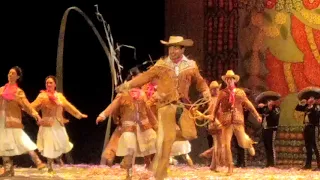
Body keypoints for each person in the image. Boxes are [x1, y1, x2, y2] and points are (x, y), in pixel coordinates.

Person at [116, 36, 210, 180]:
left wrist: (205, 90)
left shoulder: (191, 65)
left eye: (176, 48)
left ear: (182, 49)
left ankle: (161, 137)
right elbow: (145, 77)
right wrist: (128, 85)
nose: (172, 51)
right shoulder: (162, 65)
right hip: (166, 105)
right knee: (167, 141)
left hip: (183, 104)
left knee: (190, 134)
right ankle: (160, 175)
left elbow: (199, 81)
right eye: (170, 48)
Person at [96, 71, 158, 180]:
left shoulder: (143, 94)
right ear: (132, 79)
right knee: (130, 149)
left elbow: (147, 110)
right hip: (128, 127)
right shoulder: (123, 94)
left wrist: (155, 124)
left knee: (153, 145)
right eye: (139, 78)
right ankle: (128, 175)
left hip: (143, 126)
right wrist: (103, 115)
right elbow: (113, 106)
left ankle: (151, 169)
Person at [31, 75, 88, 173]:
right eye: (47, 83)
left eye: (51, 83)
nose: (48, 84)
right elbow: (33, 106)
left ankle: (57, 157)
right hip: (47, 124)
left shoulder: (59, 97)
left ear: (55, 84)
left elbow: (68, 106)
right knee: (49, 145)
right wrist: (30, 111)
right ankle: (50, 166)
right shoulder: (42, 96)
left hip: (58, 123)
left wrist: (79, 114)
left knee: (63, 142)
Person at [211, 70, 262, 175]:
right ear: (225, 81)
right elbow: (216, 107)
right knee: (226, 145)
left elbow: (248, 104)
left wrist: (256, 115)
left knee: (242, 142)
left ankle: (249, 143)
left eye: (231, 79)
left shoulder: (240, 92)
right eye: (227, 79)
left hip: (238, 120)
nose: (229, 81)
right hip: (226, 121)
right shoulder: (222, 93)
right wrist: (213, 117)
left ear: (234, 80)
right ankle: (230, 167)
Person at [0, 66, 43, 177]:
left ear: (18, 76)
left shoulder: (18, 92)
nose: (10, 75)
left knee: (21, 139)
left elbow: (27, 105)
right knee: (2, 144)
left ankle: (37, 160)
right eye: (9, 73)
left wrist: (35, 114)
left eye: (13, 73)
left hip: (12, 120)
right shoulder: (1, 89)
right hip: (1, 120)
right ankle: (8, 169)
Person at [199, 80, 225, 171]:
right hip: (215, 123)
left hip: (218, 122)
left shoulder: (219, 99)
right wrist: (217, 122)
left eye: (217, 88)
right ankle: (211, 159)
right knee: (219, 144)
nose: (216, 90)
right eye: (214, 89)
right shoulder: (212, 100)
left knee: (219, 144)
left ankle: (213, 164)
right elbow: (211, 113)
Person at [295, 87, 320, 171]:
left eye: (312, 98)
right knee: (308, 146)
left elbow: (316, 116)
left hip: (314, 127)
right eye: (310, 98)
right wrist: (302, 103)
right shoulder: (306, 107)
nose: (311, 99)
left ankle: (319, 165)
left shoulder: (317, 107)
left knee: (316, 146)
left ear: (315, 99)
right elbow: (298, 108)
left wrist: (311, 107)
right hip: (307, 127)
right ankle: (308, 165)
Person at [256, 91, 281, 167]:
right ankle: (268, 163)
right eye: (268, 101)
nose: (269, 102)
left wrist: (270, 109)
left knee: (271, 146)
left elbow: (275, 118)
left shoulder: (276, 109)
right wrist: (260, 106)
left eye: (271, 101)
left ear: (274, 102)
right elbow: (259, 111)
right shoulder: (265, 108)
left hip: (272, 129)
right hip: (265, 128)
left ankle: (273, 163)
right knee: (266, 146)